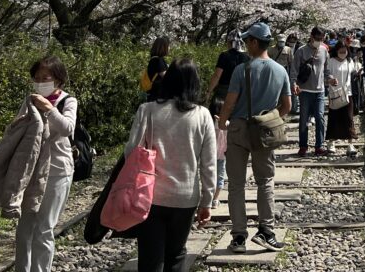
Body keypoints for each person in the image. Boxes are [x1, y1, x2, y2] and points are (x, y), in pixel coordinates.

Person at [124, 58, 216, 272]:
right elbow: (209, 164)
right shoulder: (202, 115)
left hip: (150, 196)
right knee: (176, 254)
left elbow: (131, 152)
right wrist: (207, 201)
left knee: (150, 258)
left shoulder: (147, 110)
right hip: (185, 197)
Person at [218, 22, 291, 254]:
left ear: (254, 42)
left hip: (239, 129)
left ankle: (239, 237)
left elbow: (230, 103)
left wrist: (221, 122)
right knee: (265, 181)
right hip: (264, 132)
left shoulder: (242, 70)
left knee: (236, 185)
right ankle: (266, 232)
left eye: (247, 40)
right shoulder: (280, 71)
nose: (245, 44)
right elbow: (287, 106)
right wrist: (269, 118)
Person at [14, 56, 78, 272]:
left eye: (46, 78)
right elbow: (16, 129)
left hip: (57, 171)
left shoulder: (68, 101)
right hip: (31, 171)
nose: (40, 82)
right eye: (37, 78)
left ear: (58, 79)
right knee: (25, 228)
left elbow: (67, 128)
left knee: (44, 228)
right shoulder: (30, 100)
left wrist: (49, 109)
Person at [289, 26, 329, 156]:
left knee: (320, 117)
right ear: (311, 37)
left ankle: (319, 146)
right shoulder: (301, 51)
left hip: (319, 90)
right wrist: (293, 83)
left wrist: (330, 79)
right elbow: (294, 69)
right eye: (317, 38)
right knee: (304, 119)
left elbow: (326, 70)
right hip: (304, 90)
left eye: (322, 39)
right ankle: (303, 146)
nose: (319, 41)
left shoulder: (324, 50)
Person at [325, 42, 357, 157]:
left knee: (349, 118)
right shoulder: (331, 61)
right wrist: (330, 80)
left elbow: (353, 72)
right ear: (336, 51)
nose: (343, 53)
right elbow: (326, 75)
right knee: (333, 118)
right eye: (341, 51)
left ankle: (350, 144)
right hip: (334, 94)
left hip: (347, 93)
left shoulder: (349, 61)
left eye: (345, 51)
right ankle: (331, 142)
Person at [206, 31, 247, 117]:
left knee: (217, 115)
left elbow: (217, 75)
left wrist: (209, 91)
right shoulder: (247, 57)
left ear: (230, 42)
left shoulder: (224, 55)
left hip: (223, 91)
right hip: (239, 93)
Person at [143, 36, 171, 102]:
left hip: (153, 93)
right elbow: (166, 76)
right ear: (163, 47)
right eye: (168, 46)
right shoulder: (158, 60)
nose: (169, 48)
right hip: (157, 95)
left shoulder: (154, 59)